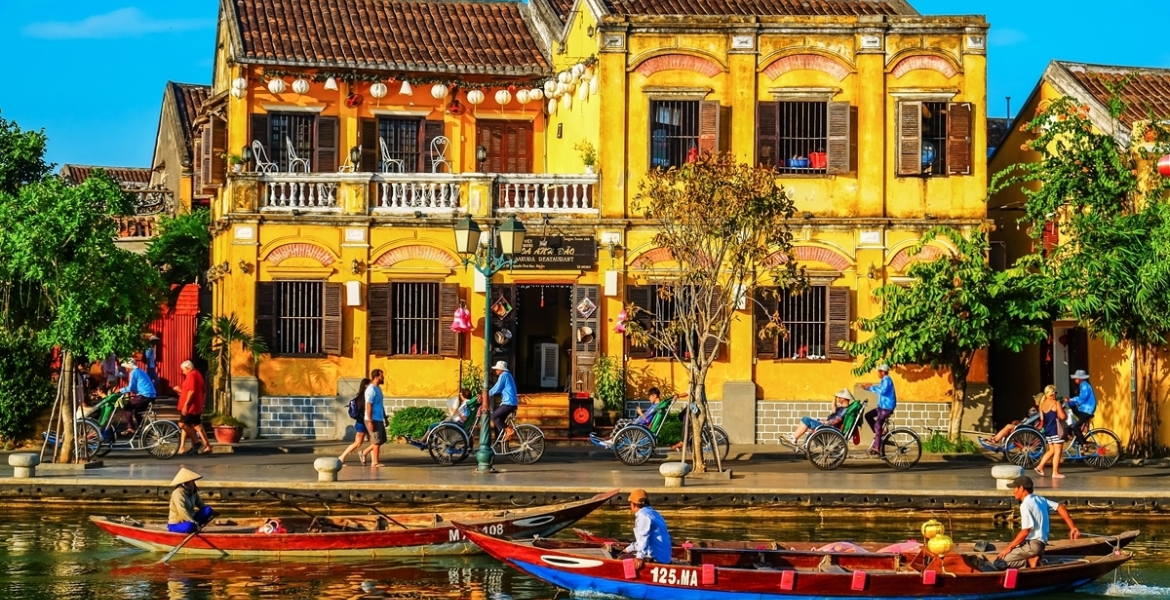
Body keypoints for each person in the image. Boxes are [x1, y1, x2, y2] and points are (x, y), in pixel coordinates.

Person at [994, 475, 1079, 569]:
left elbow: (1025, 531)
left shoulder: (1025, 505)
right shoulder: (1040, 499)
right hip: (1040, 545)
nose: (1013, 491)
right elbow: (1060, 507)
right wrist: (1072, 528)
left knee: (998, 562)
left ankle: (1029, 561)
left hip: (1032, 546)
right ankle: (1033, 558)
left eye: (1014, 488)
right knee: (1010, 552)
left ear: (1021, 488)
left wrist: (1009, 547)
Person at [609, 489, 672, 566]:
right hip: (665, 558)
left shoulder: (643, 516)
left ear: (633, 504)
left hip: (657, 560)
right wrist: (628, 549)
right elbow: (643, 541)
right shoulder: (655, 513)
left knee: (621, 558)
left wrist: (639, 557)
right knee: (627, 554)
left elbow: (643, 538)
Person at [786, 389, 854, 447]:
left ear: (844, 399)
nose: (838, 399)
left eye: (839, 397)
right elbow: (834, 408)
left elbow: (837, 420)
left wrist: (826, 422)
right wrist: (834, 398)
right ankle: (794, 436)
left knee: (806, 419)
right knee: (807, 419)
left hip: (828, 427)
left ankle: (794, 438)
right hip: (828, 426)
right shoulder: (841, 409)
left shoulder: (844, 410)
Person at [173, 360, 212, 455]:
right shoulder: (197, 374)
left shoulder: (192, 375)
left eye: (183, 370)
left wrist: (186, 404)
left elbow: (191, 391)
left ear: (188, 368)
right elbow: (197, 391)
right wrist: (181, 391)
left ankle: (196, 442)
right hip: (196, 404)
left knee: (183, 424)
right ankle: (206, 446)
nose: (183, 372)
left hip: (191, 406)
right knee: (196, 425)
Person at [861, 364, 897, 455]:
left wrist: (871, 386)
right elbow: (879, 389)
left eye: (878, 372)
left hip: (886, 407)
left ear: (882, 372)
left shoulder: (887, 380)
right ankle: (880, 432)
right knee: (868, 415)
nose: (878, 373)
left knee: (877, 425)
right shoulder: (883, 380)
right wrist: (867, 388)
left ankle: (877, 448)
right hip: (882, 406)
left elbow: (882, 391)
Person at [168, 468, 216, 534]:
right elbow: (182, 511)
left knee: (208, 510)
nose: (193, 483)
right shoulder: (178, 493)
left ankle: (195, 526)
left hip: (192, 518)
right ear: (185, 483)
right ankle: (194, 527)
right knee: (190, 526)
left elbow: (201, 504)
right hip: (177, 523)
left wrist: (212, 512)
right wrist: (194, 523)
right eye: (192, 481)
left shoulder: (193, 491)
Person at [1035, 385, 1067, 478]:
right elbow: (1062, 417)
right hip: (1056, 431)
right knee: (1058, 452)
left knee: (1051, 450)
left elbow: (1042, 419)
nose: (1056, 395)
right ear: (1052, 393)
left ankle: (1040, 466)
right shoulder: (1056, 403)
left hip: (1048, 431)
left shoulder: (1042, 404)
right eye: (1055, 393)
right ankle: (1055, 472)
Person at [338, 378, 372, 464]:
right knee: (358, 443)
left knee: (373, 441)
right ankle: (342, 457)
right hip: (363, 422)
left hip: (362, 422)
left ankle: (366, 457)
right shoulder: (365, 396)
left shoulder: (360, 396)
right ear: (365, 385)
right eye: (370, 384)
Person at [119, 359, 157, 435]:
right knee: (137, 412)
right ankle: (142, 431)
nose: (126, 369)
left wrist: (120, 390)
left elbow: (130, 387)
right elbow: (140, 385)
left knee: (128, 407)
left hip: (145, 394)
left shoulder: (134, 372)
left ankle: (130, 428)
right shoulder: (140, 371)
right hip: (150, 394)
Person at [484, 361, 518, 441]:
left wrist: (486, 394)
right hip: (510, 402)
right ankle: (499, 441)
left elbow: (497, 388)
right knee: (498, 422)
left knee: (494, 416)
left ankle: (509, 430)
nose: (496, 371)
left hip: (508, 403)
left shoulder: (504, 375)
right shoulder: (508, 375)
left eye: (497, 369)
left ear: (501, 369)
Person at [359, 369, 387, 467]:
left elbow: (380, 404)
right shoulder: (371, 389)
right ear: (376, 377)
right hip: (372, 418)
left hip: (379, 418)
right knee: (376, 440)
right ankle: (375, 462)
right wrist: (370, 421)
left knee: (381, 440)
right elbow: (368, 406)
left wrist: (385, 417)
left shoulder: (378, 389)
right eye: (382, 376)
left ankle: (364, 452)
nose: (383, 378)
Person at [1067, 369, 1096, 446]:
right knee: (1072, 420)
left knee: (1075, 426)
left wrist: (1070, 400)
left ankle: (1084, 444)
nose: (1074, 379)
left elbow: (1081, 398)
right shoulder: (1082, 385)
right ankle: (1078, 441)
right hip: (1084, 409)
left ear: (1080, 379)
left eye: (1076, 378)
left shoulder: (1085, 386)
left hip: (1087, 410)